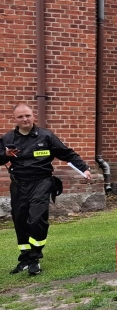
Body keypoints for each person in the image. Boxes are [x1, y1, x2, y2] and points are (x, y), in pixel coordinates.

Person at [1, 103, 92, 276]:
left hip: (41, 182)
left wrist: (84, 168)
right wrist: (5, 155)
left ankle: (35, 257)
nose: (25, 119)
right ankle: (25, 257)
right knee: (20, 220)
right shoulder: (7, 139)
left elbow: (67, 153)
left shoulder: (46, 136)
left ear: (33, 116)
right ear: (14, 119)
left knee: (37, 219)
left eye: (27, 115)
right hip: (19, 184)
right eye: (20, 117)